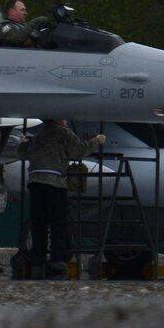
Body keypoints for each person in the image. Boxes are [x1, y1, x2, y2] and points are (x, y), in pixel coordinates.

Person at [16, 119, 106, 278]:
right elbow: (79, 151)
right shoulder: (64, 133)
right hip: (55, 183)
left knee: (39, 223)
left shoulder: (39, 135)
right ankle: (57, 260)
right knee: (58, 222)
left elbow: (23, 153)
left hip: (35, 182)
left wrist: (23, 143)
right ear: (60, 120)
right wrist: (96, 141)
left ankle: (38, 261)